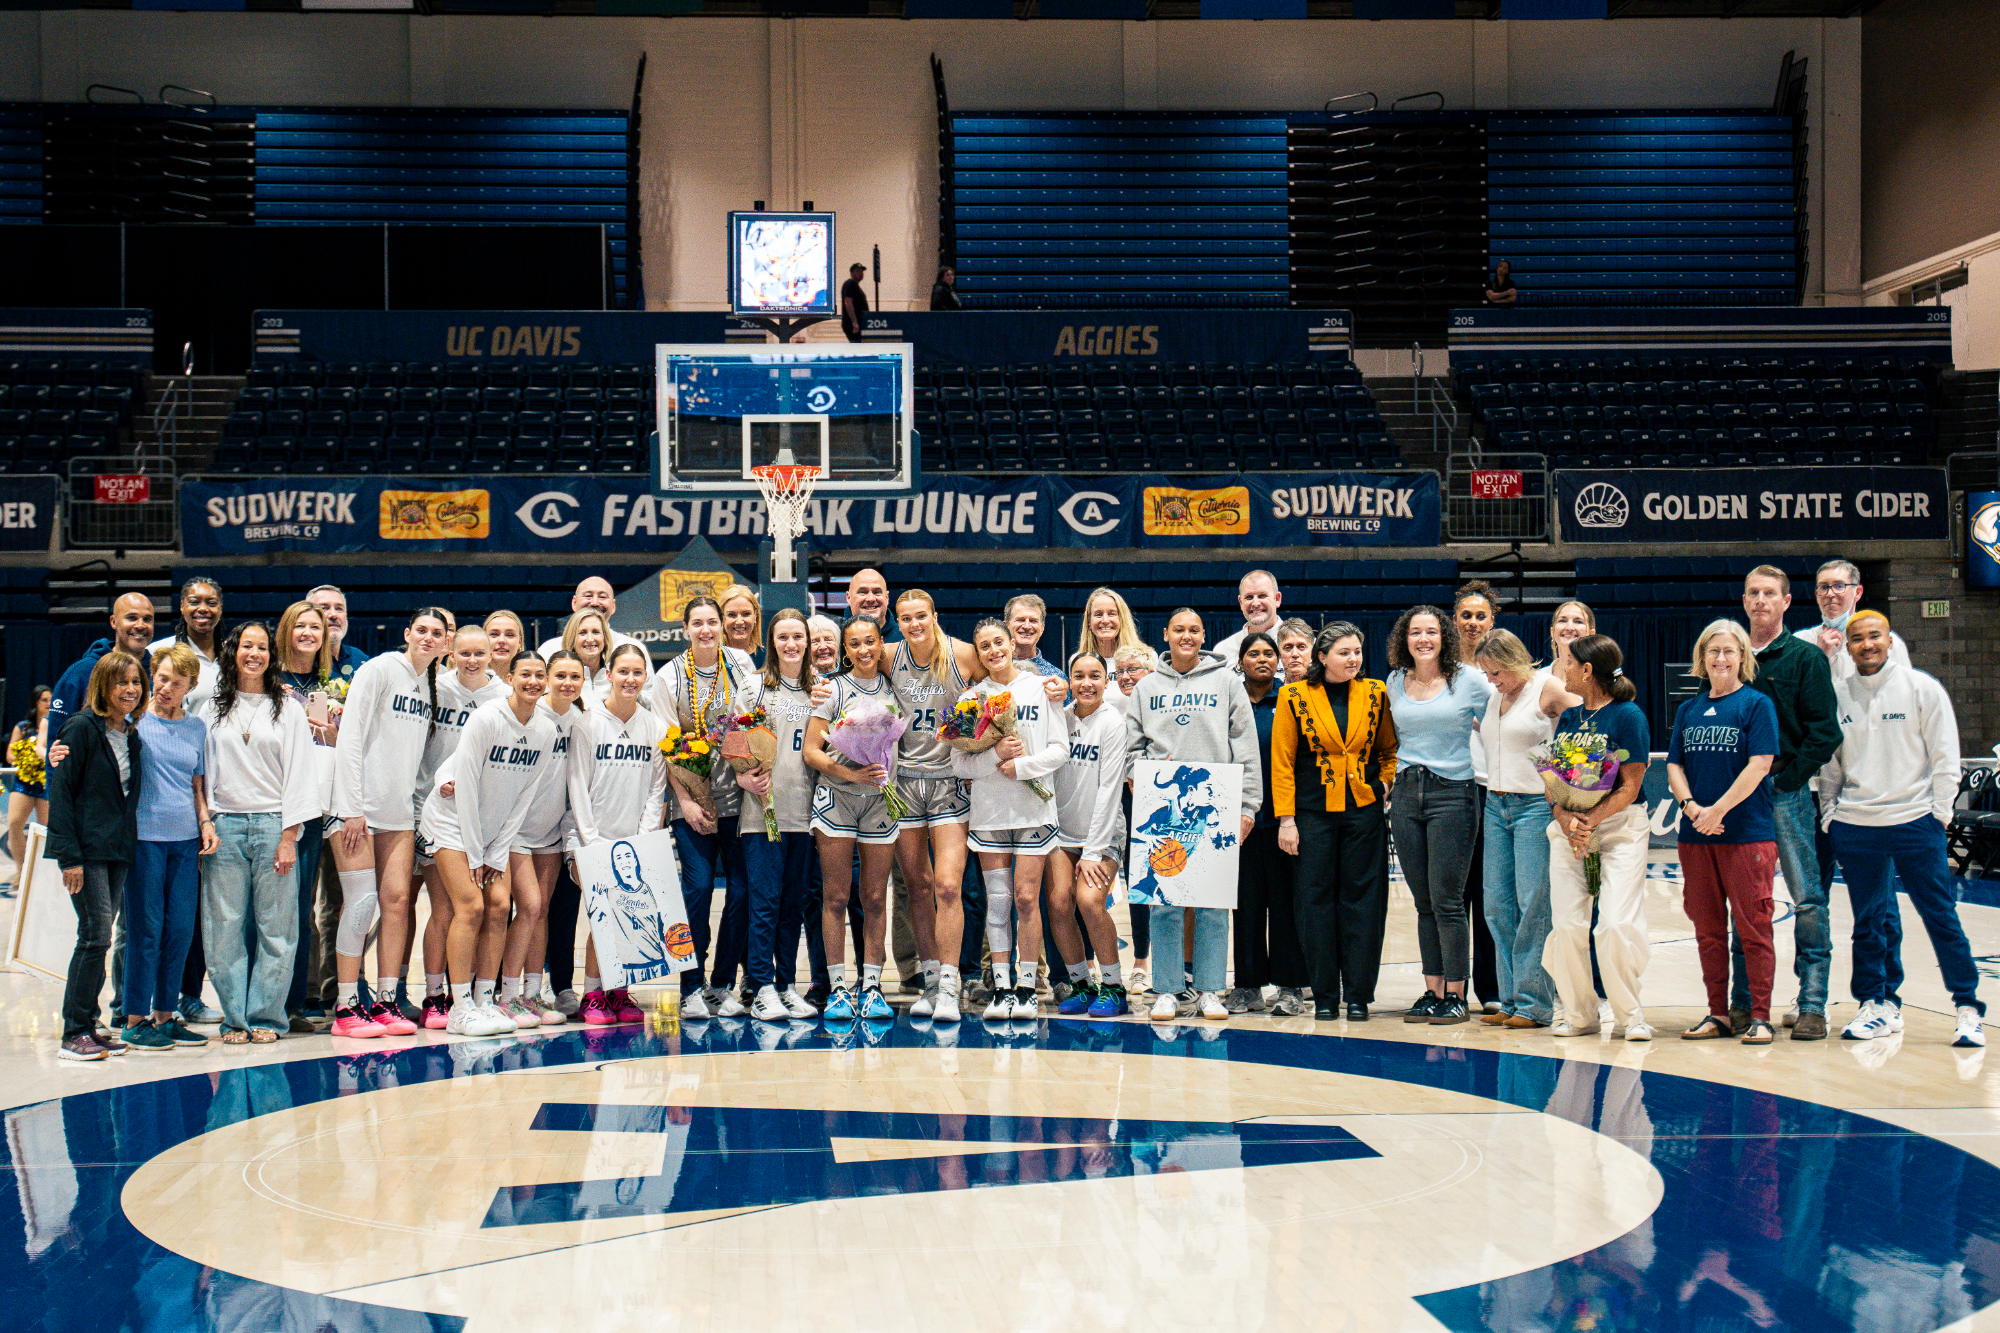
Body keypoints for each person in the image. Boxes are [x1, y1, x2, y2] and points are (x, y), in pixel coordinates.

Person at [1823, 609, 1983, 1048]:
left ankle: (1968, 1008)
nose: (1867, 645)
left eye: (1875, 636)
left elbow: (1946, 758)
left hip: (1916, 822)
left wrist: (1940, 814)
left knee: (1940, 916)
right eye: (1858, 639)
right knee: (1868, 921)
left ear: (1890, 641)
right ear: (1848, 645)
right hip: (1856, 825)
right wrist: (1830, 814)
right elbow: (1831, 765)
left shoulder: (1921, 688)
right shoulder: (1838, 694)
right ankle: (1876, 1004)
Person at [1124, 607, 1259, 1023]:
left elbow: (1246, 746)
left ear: (1203, 636)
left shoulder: (1227, 682)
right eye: (1178, 630)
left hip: (1216, 805)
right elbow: (1130, 751)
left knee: (1212, 904)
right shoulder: (1145, 688)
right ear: (1165, 635)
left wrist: (1248, 806)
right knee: (1163, 902)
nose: (1186, 636)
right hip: (1164, 808)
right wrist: (1141, 776)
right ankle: (1167, 990)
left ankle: (1209, 990)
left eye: (1194, 630)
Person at [420, 651, 559, 1037]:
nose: (533, 682)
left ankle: (485, 1001)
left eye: (539, 676)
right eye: (525, 674)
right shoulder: (487, 719)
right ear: (510, 678)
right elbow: (465, 786)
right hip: (451, 824)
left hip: (494, 833)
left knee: (500, 906)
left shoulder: (546, 730)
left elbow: (523, 799)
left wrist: (495, 852)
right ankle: (460, 1007)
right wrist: (477, 853)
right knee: (471, 906)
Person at [328, 608, 450, 1039]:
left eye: (437, 633)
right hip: (356, 810)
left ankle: (385, 1000)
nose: (428, 638)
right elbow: (351, 736)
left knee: (397, 902)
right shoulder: (380, 669)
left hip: (397, 812)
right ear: (407, 633)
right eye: (421, 630)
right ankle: (345, 1006)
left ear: (444, 643)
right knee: (361, 905)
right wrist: (351, 807)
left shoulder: (426, 685)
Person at [1734, 565, 1842, 1041]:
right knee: (1743, 902)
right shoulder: (1728, 656)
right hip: (1739, 798)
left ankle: (1813, 1003)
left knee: (1807, 898)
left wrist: (1789, 781)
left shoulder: (1804, 658)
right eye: (1753, 593)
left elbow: (1826, 732)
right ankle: (1742, 1002)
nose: (1761, 600)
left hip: (1784, 793)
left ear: (1786, 602)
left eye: (1769, 593)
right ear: (1744, 601)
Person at [1275, 622, 1396, 1022]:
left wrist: (1381, 784)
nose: (1353, 659)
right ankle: (1325, 995)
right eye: (1344, 652)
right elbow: (1283, 761)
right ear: (1322, 657)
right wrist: (1286, 820)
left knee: (1363, 904)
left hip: (1363, 814)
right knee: (1314, 905)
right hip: (1311, 816)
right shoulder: (1293, 695)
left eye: (1357, 652)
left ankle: (1359, 995)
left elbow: (1389, 749)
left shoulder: (1376, 691)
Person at [1667, 619, 1781, 1045]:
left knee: (1754, 928)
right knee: (1708, 932)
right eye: (1713, 651)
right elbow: (1674, 765)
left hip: (1746, 834)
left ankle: (1761, 1015)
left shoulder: (1756, 705)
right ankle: (1718, 1013)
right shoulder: (1688, 709)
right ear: (1702, 658)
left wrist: (1719, 809)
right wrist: (1691, 807)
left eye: (1729, 651)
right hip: (1696, 836)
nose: (1720, 658)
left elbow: (1760, 765)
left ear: (1742, 658)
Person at [201, 622, 316, 1044]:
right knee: (224, 927)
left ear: (272, 655)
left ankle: (267, 1016)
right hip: (224, 827)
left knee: (277, 928)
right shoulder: (211, 708)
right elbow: (201, 773)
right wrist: (206, 823)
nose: (255, 653)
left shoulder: (287, 709)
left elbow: (302, 775)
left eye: (262, 647)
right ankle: (235, 1018)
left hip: (272, 825)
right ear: (233, 652)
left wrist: (290, 836)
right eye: (246, 646)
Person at [952, 618, 1068, 1022]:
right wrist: (995, 756)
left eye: (998, 642)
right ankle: (1001, 986)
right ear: (978, 653)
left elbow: (1060, 750)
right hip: (990, 812)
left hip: (1034, 809)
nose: (993, 651)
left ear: (1010, 643)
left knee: (1025, 898)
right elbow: (958, 761)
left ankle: (1027, 986)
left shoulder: (1041, 687)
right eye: (984, 646)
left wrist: (1023, 767)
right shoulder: (970, 698)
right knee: (997, 902)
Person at [1384, 603, 1494, 1025]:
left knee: (1448, 901)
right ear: (1404, 639)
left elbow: (1501, 726)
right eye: (1415, 632)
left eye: (1431, 631)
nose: (1423, 639)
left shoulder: (1469, 681)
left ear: (1444, 637)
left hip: (1454, 792)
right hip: (1408, 795)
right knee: (1424, 902)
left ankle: (1457, 994)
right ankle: (1431, 990)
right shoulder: (1394, 682)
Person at [1544, 633, 1652, 1041]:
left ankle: (1630, 1014)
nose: (1564, 669)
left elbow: (1630, 785)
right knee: (1568, 925)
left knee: (1614, 925)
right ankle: (1579, 1013)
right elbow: (1553, 782)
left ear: (1587, 670)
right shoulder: (1570, 718)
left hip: (1619, 828)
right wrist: (1564, 816)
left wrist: (1589, 819)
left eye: (1569, 663)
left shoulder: (1628, 717)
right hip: (1570, 830)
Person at [653, 597, 756, 1017]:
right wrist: (683, 801)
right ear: (685, 628)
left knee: (743, 889)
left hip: (738, 798)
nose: (707, 629)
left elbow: (755, 726)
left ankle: (722, 984)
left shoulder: (741, 665)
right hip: (691, 802)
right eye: (698, 623)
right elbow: (668, 746)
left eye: (712, 621)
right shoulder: (668, 677)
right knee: (695, 890)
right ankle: (690, 987)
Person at [888, 590, 984, 1021]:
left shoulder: (963, 655)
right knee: (916, 886)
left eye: (921, 616)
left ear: (935, 615)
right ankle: (929, 980)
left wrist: (1050, 686)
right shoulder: (890, 656)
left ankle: (950, 981)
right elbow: (844, 677)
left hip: (949, 781)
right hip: (905, 783)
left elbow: (1006, 679)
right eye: (906, 618)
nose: (914, 624)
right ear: (898, 621)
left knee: (948, 885)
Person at [47, 650, 145, 1061]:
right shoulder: (81, 728)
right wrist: (69, 857)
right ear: (102, 687)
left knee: (99, 938)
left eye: (136, 682)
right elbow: (62, 796)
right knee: (94, 936)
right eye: (121, 682)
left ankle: (90, 1022)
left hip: (117, 851)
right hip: (85, 853)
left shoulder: (131, 733)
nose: (130, 690)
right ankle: (74, 1031)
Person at [804, 614, 902, 1020]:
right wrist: (851, 773)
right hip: (838, 799)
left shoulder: (896, 688)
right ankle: (839, 987)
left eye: (870, 641)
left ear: (881, 644)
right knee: (836, 895)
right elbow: (812, 751)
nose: (864, 650)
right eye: (855, 644)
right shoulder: (832, 689)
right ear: (845, 651)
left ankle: (873, 985)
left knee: (876, 897)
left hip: (880, 801)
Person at [118, 646, 215, 1053]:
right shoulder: (132, 723)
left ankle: (165, 1014)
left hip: (185, 840)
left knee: (179, 931)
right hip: (143, 839)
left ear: (191, 687)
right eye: (161, 677)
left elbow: (197, 784)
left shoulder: (196, 729)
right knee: (146, 929)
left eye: (177, 681)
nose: (166, 687)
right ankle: (134, 1019)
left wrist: (205, 823)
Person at [412, 625, 510, 1028]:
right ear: (451, 652)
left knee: (480, 908)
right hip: (430, 807)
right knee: (445, 908)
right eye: (464, 653)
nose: (472, 661)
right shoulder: (436, 687)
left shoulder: (504, 695)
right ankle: (436, 995)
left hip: (480, 816)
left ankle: (464, 995)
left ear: (492, 654)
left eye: (479, 654)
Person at [1471, 629, 1569, 1031]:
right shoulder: (1497, 696)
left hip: (1533, 806)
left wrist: (1561, 783)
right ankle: (1510, 999)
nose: (1491, 681)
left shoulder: (1548, 688)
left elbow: (1588, 723)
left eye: (1496, 672)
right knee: (1496, 906)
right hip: (1496, 805)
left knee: (1533, 906)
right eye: (1487, 674)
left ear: (1513, 662)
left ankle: (1535, 1004)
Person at [566, 644, 669, 1027]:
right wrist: (591, 844)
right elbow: (577, 785)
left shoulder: (655, 727)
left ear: (646, 678)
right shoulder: (587, 722)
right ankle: (592, 994)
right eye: (622, 671)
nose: (629, 679)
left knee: (630, 918)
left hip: (634, 844)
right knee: (603, 918)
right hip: (589, 839)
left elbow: (657, 790)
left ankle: (618, 991)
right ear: (607, 674)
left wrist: (641, 842)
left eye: (637, 673)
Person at [738, 610, 825, 1021]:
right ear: (771, 642)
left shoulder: (820, 691)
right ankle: (760, 986)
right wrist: (743, 780)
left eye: (798, 637)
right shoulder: (754, 687)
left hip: (803, 813)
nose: (791, 644)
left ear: (808, 642)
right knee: (766, 902)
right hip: (762, 812)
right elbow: (733, 740)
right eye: (783, 637)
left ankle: (787, 985)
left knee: (794, 903)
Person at [510, 651, 599, 1022]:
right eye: (559, 675)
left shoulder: (582, 721)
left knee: (543, 912)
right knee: (516, 911)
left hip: (554, 832)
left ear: (584, 682)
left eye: (574, 677)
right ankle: (504, 992)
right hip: (513, 830)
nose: (566, 683)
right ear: (546, 677)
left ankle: (535, 991)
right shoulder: (530, 713)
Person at [1222, 632, 1308, 1016]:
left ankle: (1291, 986)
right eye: (1253, 653)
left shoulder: (1290, 699)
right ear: (1240, 661)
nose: (1262, 659)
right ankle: (1247, 985)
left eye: (1268, 653)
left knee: (1287, 905)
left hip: (1284, 817)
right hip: (1239, 820)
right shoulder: (1229, 699)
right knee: (1246, 904)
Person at [1051, 651, 1130, 1019]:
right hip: (1062, 833)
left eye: (1095, 676)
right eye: (1079, 676)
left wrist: (1094, 851)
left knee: (1089, 901)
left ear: (1106, 680)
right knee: (1058, 902)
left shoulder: (1112, 722)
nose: (1086, 683)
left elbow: (1110, 789)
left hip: (1103, 832)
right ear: (1070, 680)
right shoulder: (1060, 719)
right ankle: (1082, 984)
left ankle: (1114, 986)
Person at [1451, 578, 1503, 1013]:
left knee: (1489, 895)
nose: (1472, 622)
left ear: (1492, 620)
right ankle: (1453, 989)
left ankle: (1491, 989)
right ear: (1455, 620)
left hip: (1492, 788)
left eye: (1480, 615)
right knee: (1453, 896)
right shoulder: (1441, 667)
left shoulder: (1505, 669)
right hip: (1450, 789)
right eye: (1465, 615)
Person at [49, 590, 156, 746]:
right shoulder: (81, 673)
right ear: (113, 622)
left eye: (147, 619)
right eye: (131, 618)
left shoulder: (160, 674)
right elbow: (57, 742)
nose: (140, 625)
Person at [1112, 644, 1157, 991]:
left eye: (1134, 669)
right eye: (1121, 671)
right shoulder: (1111, 710)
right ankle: (1139, 960)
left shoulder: (1161, 705)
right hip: (1120, 797)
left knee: (1162, 878)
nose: (1126, 676)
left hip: (1156, 796)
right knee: (1137, 877)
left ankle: (1166, 962)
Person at [1799, 559, 1909, 681]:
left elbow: (1904, 690)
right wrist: (1817, 656)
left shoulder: (1885, 642)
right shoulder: (1801, 641)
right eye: (1823, 587)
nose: (1830, 594)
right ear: (1816, 595)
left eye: (1839, 586)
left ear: (1857, 592)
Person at [147, 577, 224, 716]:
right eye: (194, 602)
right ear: (182, 606)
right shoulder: (158, 651)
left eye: (211, 603)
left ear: (220, 609)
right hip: (179, 736)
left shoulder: (233, 654)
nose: (203, 608)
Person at [5, 684, 50, 895]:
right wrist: (29, 758)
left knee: (46, 828)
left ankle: (44, 873)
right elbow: (10, 755)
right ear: (35, 702)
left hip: (46, 783)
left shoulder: (55, 725)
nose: (48, 704)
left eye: (51, 700)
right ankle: (21, 869)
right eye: (44, 700)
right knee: (14, 823)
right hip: (24, 781)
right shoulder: (22, 727)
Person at [535, 576, 645, 660]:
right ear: (574, 603)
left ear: (613, 606)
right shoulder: (550, 650)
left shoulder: (634, 649)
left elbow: (648, 689)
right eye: (588, 596)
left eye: (602, 597)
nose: (595, 603)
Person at [1075, 588, 1146, 708]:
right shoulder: (1077, 660)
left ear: (1121, 619)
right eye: (1098, 614)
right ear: (1089, 623)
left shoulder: (1146, 658)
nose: (1105, 620)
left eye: (1112, 614)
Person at [1212, 570, 1283, 665]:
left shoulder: (1300, 646)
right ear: (1241, 602)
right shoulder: (1223, 651)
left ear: (1277, 599)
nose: (1256, 603)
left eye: (1262, 596)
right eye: (1249, 597)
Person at [305, 584, 371, 685]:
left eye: (339, 608)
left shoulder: (360, 658)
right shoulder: (300, 661)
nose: (333, 615)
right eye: (324, 608)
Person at [562, 609, 615, 704]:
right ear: (571, 639)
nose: (590, 639)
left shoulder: (616, 677)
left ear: (605, 638)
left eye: (596, 632)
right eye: (582, 633)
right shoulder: (561, 680)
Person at [1003, 594, 1062, 677]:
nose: (1027, 626)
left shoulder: (1056, 676)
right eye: (1020, 620)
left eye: (1033, 621)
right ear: (1006, 626)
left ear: (1042, 628)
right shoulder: (988, 671)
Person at [719, 584, 764, 672]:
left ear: (755, 616)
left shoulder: (768, 659)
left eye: (746, 614)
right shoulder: (710, 659)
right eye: (732, 615)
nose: (739, 621)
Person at [1549, 600, 1594, 674]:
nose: (1569, 628)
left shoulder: (1602, 679)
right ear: (1552, 632)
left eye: (1578, 622)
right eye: (1562, 621)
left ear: (1591, 634)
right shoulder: (1535, 680)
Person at [484, 610, 527, 680]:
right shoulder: (466, 681)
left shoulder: (531, 684)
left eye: (510, 635)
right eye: (494, 634)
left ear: (520, 642)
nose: (501, 640)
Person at [1274, 619, 1314, 685]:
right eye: (1288, 648)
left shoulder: (1324, 688)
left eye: (1301, 647)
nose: (1295, 654)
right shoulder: (1270, 689)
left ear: (1312, 651)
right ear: (1279, 653)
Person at [840, 262, 869, 342]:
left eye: (861, 271)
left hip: (857, 324)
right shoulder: (850, 284)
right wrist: (854, 322)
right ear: (852, 273)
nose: (860, 273)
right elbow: (848, 302)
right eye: (857, 271)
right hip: (852, 325)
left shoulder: (854, 286)